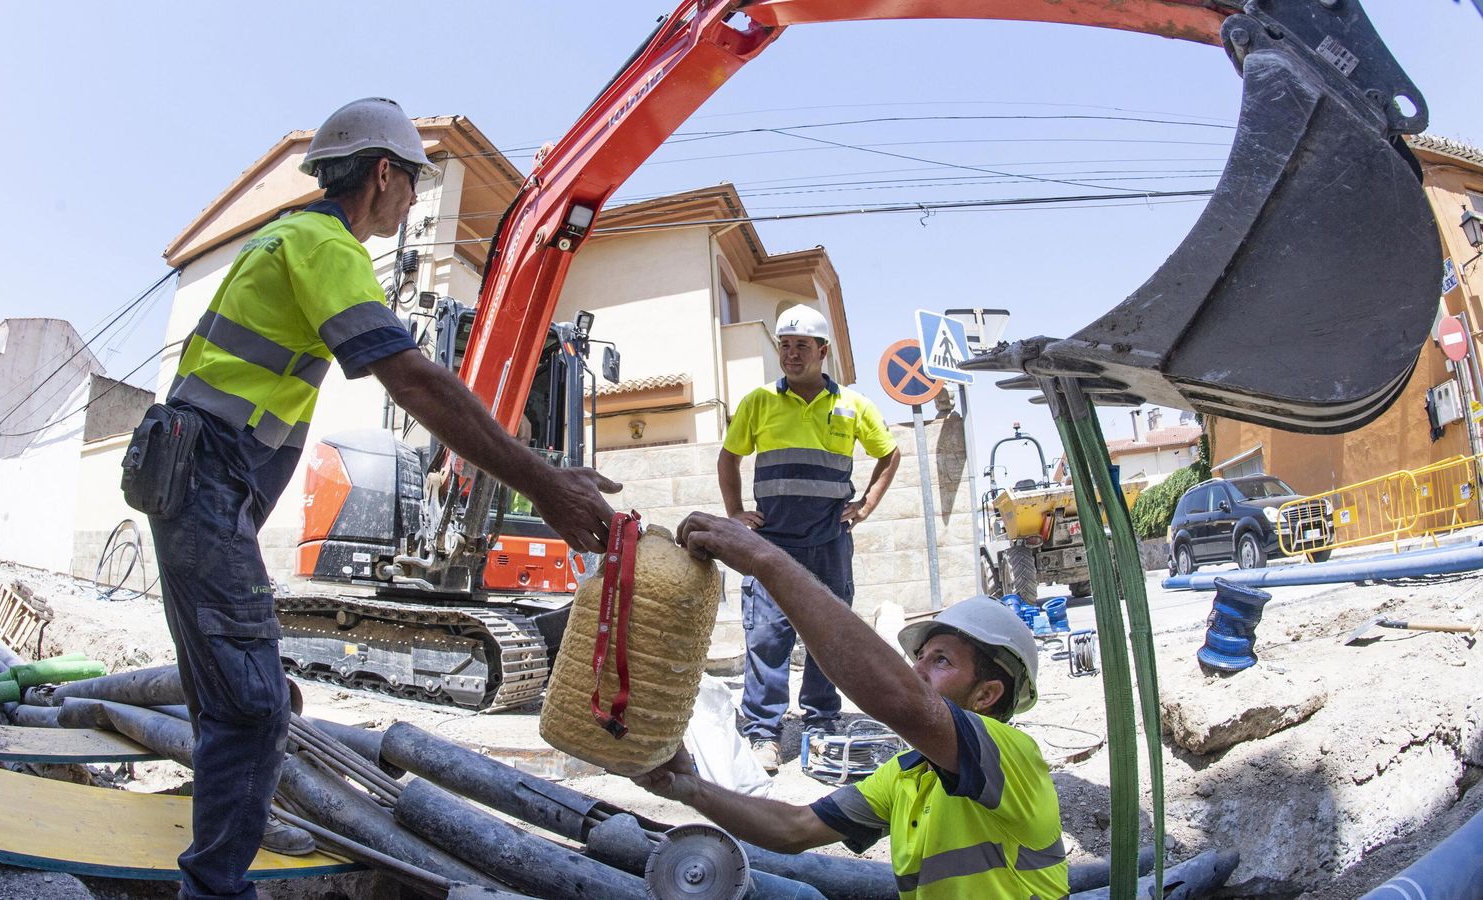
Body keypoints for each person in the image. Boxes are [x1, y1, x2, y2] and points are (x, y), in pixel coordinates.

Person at [141, 97, 619, 900]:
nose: (414, 200)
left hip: (196, 478)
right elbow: (415, 380)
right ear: (384, 173)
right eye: (414, 182)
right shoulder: (323, 244)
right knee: (255, 705)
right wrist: (543, 481)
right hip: (207, 480)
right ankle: (215, 885)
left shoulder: (289, 239)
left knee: (232, 690)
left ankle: (237, 820)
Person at [633, 512, 1067, 899]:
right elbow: (794, 829)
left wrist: (764, 559)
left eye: (941, 661)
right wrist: (687, 787)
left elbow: (897, 700)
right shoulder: (907, 776)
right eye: (919, 656)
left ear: (987, 694)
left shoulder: (1012, 757)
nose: (916, 670)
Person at [718, 303, 901, 771]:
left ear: (822, 351)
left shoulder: (854, 405)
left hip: (828, 543)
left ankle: (821, 723)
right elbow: (728, 457)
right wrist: (735, 513)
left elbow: (889, 454)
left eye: (802, 345)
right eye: (785, 345)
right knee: (766, 637)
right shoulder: (758, 402)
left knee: (829, 638)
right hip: (770, 544)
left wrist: (866, 506)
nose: (792, 354)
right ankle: (763, 734)